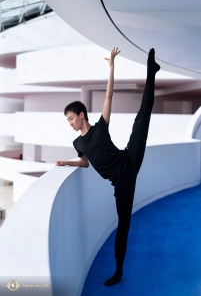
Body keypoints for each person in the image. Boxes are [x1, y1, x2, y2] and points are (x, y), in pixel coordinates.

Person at [56, 47, 160, 286]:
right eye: (67, 121)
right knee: (123, 224)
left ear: (81, 115)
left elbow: (109, 96)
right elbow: (84, 162)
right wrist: (67, 162)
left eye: (71, 118)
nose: (70, 123)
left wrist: (111, 67)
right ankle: (119, 271)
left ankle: (151, 73)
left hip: (129, 159)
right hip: (121, 182)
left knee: (142, 118)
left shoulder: (101, 126)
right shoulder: (77, 142)